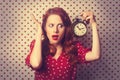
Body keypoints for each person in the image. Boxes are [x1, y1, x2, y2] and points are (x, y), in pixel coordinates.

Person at [25, 7, 100, 80]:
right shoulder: (38, 45)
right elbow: (36, 64)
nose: (55, 30)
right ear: (45, 28)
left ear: (66, 29)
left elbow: (95, 55)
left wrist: (93, 24)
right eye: (51, 25)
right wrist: (39, 33)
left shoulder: (73, 47)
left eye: (60, 26)